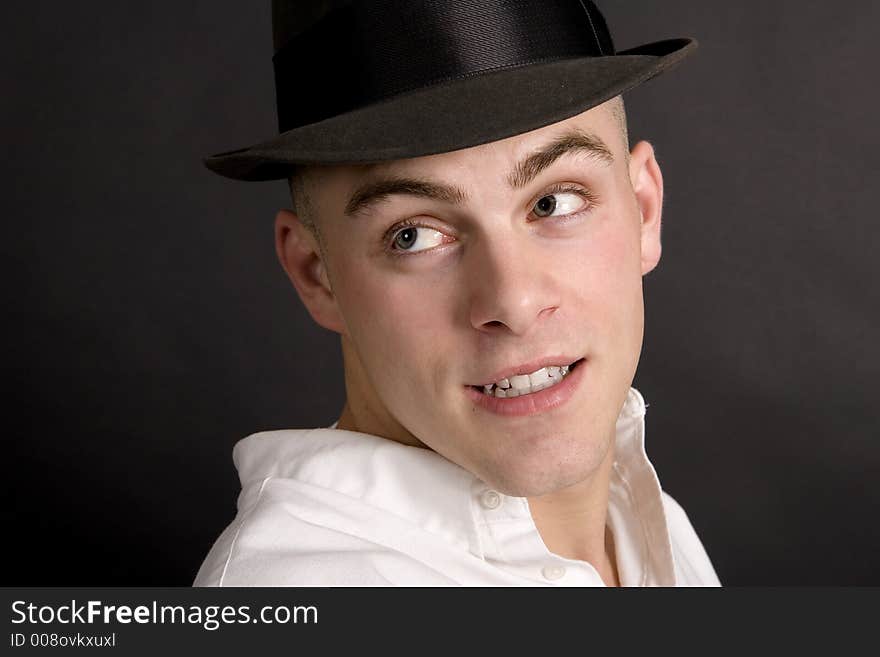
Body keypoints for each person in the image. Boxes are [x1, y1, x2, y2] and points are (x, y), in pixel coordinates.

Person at [194, 0, 720, 587]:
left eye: (555, 202)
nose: (514, 303)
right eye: (413, 236)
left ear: (644, 210)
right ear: (316, 274)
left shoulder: (656, 527)